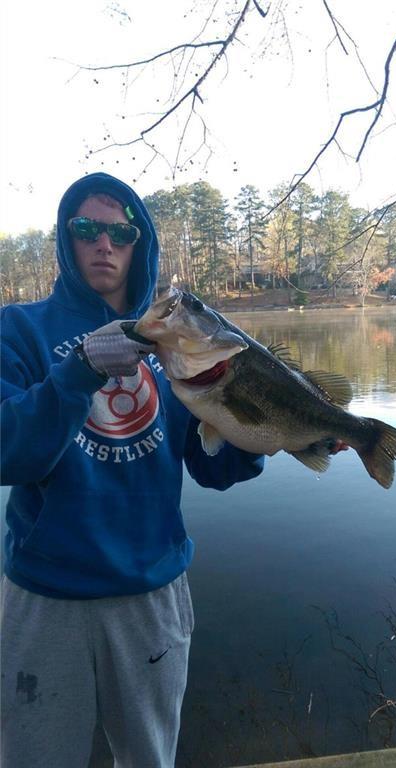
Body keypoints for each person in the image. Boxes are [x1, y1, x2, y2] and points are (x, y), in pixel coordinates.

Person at [0, 172, 265, 768]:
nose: (104, 244)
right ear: (66, 240)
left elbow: (211, 468)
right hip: (45, 598)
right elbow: (5, 450)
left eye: (120, 232)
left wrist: (259, 428)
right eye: (86, 229)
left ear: (138, 241)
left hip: (151, 595)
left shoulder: (183, 343)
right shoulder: (18, 329)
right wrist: (78, 371)